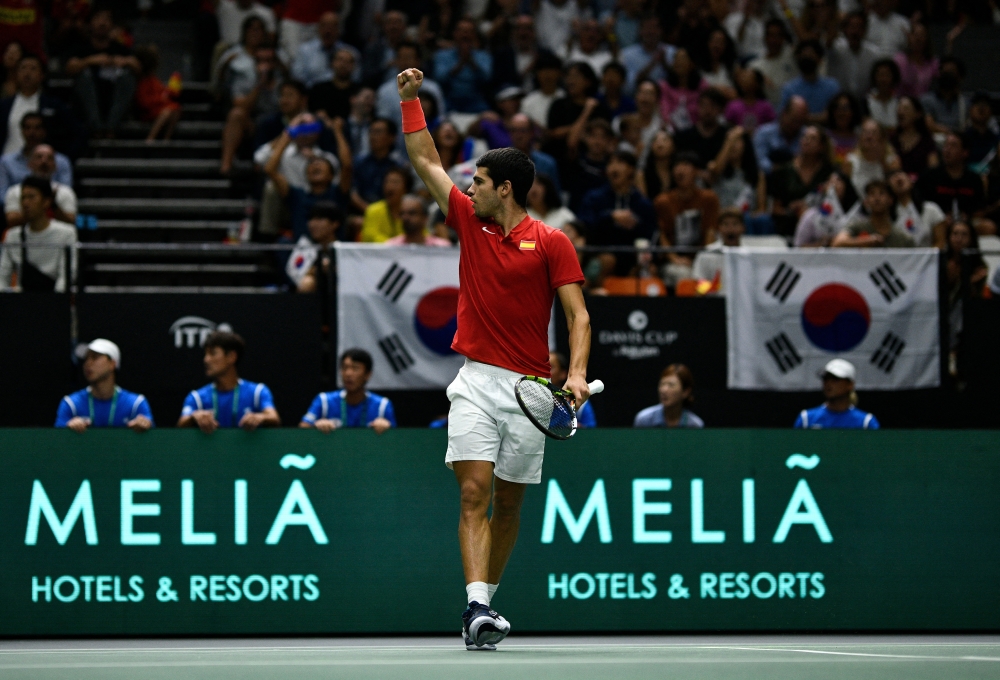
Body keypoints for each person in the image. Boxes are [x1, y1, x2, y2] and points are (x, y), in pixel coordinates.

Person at [397, 65, 591, 650]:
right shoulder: (467, 221)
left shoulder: (552, 242)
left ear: (504, 188)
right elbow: (426, 161)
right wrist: (411, 102)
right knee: (473, 493)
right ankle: (476, 608)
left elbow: (578, 316)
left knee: (508, 505)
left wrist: (577, 374)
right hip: (475, 382)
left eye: (479, 181)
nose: (470, 188)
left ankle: (488, 598)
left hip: (531, 391)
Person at [178, 331, 280, 433]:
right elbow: (181, 424)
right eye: (206, 354)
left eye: (212, 353)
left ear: (231, 357)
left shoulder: (257, 392)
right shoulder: (197, 397)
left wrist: (260, 417)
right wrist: (193, 417)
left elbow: (274, 417)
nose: (206, 360)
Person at [578, 150, 656, 278]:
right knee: (608, 260)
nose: (613, 167)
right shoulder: (594, 198)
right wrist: (610, 217)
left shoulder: (643, 204)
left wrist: (635, 224)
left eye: (620, 162)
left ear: (631, 170)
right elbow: (584, 227)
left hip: (632, 258)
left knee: (650, 270)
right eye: (610, 163)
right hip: (600, 254)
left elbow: (650, 234)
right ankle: (588, 289)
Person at [63, 8, 140, 136]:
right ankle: (97, 128)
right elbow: (69, 68)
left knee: (128, 77)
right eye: (98, 18)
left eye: (106, 19)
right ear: (90, 24)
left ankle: (110, 128)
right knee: (83, 75)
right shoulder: (82, 48)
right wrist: (90, 61)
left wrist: (125, 61)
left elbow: (138, 67)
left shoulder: (120, 49)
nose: (102, 23)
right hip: (87, 106)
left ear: (112, 25)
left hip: (113, 103)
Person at [55, 339, 154, 432]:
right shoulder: (71, 404)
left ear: (112, 364)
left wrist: (144, 425)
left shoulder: (136, 404)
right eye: (86, 358)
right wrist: (68, 429)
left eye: (95, 357)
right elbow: (57, 440)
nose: (88, 363)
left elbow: (153, 439)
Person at [0, 176, 76, 292]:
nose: (25, 203)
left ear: (46, 201)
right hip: (22, 300)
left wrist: (56, 300)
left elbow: (67, 276)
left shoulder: (67, 233)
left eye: (31, 197)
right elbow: (2, 277)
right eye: (23, 198)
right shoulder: (13, 235)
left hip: (55, 299)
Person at [654, 151, 720, 283]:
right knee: (685, 275)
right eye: (677, 165)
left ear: (697, 171)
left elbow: (711, 232)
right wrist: (675, 259)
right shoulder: (663, 201)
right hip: (674, 262)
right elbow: (662, 235)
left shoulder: (709, 199)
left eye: (686, 165)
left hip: (702, 258)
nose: (680, 170)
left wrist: (703, 260)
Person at [0, 54, 79, 157]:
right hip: (7, 162)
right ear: (16, 74)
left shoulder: (54, 106)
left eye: (33, 68)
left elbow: (77, 133)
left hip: (42, 163)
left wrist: (62, 160)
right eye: (23, 68)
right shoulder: (4, 106)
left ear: (42, 75)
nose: (27, 73)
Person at [300, 348, 396, 433]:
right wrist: (316, 426)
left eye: (355, 368)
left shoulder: (382, 405)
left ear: (368, 375)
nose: (348, 373)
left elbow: (395, 439)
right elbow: (302, 428)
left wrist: (386, 427)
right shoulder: (324, 400)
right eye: (344, 368)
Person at [918, 132, 994, 234]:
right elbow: (921, 205)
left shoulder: (974, 179)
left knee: (988, 226)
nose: (947, 149)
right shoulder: (930, 176)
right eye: (946, 145)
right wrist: (941, 218)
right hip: (938, 222)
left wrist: (967, 218)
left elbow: (979, 210)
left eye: (953, 146)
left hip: (967, 224)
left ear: (965, 152)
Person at [768, 125, 835, 235]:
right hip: (788, 226)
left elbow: (834, 204)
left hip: (820, 226)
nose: (807, 141)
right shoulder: (784, 170)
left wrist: (809, 209)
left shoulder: (829, 172)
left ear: (822, 146)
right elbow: (775, 209)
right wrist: (791, 210)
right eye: (804, 137)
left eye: (813, 138)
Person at [0, 112, 73, 198]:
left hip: (53, 205)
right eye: (28, 128)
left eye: (37, 128)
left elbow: (66, 194)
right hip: (14, 205)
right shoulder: (6, 162)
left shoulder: (61, 161)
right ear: (22, 131)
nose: (32, 133)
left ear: (44, 131)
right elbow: (2, 195)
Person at [794, 359, 879, 429]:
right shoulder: (806, 420)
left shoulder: (866, 423)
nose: (828, 383)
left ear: (850, 385)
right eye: (825, 379)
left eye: (835, 379)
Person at [4, 144, 76, 226]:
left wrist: (53, 205)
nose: (44, 161)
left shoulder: (66, 192)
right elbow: (11, 221)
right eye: (39, 157)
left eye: (49, 158)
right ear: (29, 164)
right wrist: (37, 209)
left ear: (55, 165)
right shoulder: (15, 191)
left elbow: (71, 222)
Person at [832, 179, 915, 248]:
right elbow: (837, 243)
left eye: (881, 193)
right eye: (872, 194)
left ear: (890, 200)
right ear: (866, 202)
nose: (877, 198)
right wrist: (865, 241)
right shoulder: (857, 227)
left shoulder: (902, 237)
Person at [290, 11, 361, 88]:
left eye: (332, 27)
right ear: (318, 28)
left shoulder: (350, 52)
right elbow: (298, 78)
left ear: (339, 29)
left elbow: (356, 78)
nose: (328, 31)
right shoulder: (305, 50)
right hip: (311, 92)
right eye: (324, 26)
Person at [793, 171, 858, 247]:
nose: (833, 185)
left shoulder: (857, 214)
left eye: (838, 180)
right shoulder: (811, 215)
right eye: (829, 181)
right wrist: (821, 244)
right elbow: (799, 246)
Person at [780, 40, 839, 123]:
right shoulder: (789, 88)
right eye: (804, 56)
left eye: (810, 56)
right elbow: (785, 116)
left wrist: (803, 118)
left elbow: (835, 115)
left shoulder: (832, 86)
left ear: (820, 60)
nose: (807, 59)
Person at [826, 11, 880, 101]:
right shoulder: (836, 47)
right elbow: (828, 44)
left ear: (865, 30)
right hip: (837, 100)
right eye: (852, 27)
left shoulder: (874, 53)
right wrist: (837, 22)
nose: (855, 32)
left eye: (859, 27)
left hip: (864, 100)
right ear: (845, 29)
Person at [752, 95, 809, 175]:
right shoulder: (763, 133)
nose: (796, 125)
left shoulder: (808, 135)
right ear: (784, 113)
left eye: (800, 121)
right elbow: (762, 163)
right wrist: (785, 168)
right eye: (793, 120)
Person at [634, 364, 704, 428]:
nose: (663, 390)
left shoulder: (695, 425)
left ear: (685, 392)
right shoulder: (644, 420)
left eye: (671, 385)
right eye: (662, 384)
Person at [748, 19, 797, 109]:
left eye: (778, 35)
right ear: (765, 38)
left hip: (792, 108)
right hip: (766, 110)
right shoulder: (755, 66)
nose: (774, 40)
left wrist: (788, 13)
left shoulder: (793, 57)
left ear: (783, 38)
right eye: (771, 35)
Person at [888, 168, 944, 247]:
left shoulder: (931, 209)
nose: (898, 178)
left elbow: (941, 242)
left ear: (911, 182)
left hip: (926, 253)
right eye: (894, 177)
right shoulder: (886, 214)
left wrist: (924, 254)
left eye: (901, 174)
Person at [692, 207, 744, 292]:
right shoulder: (707, 253)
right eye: (726, 224)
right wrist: (711, 287)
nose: (730, 229)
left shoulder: (751, 255)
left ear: (743, 227)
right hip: (715, 299)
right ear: (719, 228)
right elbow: (698, 283)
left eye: (735, 224)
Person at [620, 15, 674, 96]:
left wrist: (664, 64)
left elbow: (680, 83)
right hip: (636, 99)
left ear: (661, 30)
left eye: (654, 27)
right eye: (647, 28)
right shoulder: (627, 55)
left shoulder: (672, 52)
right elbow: (627, 88)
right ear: (640, 31)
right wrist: (652, 64)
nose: (651, 32)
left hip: (668, 99)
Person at [844, 118, 900, 196]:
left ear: (882, 137)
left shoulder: (892, 160)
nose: (869, 137)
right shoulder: (850, 161)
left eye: (874, 132)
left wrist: (882, 159)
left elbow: (896, 188)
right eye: (865, 132)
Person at [361, 166, 411, 242]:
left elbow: (421, 236)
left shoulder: (412, 211)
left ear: (406, 188)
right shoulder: (373, 210)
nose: (389, 186)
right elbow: (370, 237)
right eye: (387, 182)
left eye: (395, 182)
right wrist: (396, 244)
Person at [890, 95, 937, 176]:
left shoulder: (926, 140)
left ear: (917, 114)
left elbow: (933, 168)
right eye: (899, 108)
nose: (900, 112)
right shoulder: (892, 139)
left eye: (905, 108)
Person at [921, 56, 968, 134]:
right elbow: (929, 124)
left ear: (960, 77)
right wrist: (951, 133)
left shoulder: (966, 103)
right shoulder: (926, 100)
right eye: (944, 72)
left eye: (951, 72)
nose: (947, 76)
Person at [385, 194, 453, 246]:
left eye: (412, 213)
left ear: (424, 218)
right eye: (402, 213)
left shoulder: (441, 247)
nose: (405, 218)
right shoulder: (391, 246)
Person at [549, 351, 595, 427]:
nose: (545, 372)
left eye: (550, 367)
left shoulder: (580, 401)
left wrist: (581, 429)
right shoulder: (531, 402)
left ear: (563, 373)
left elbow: (593, 431)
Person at [893, 22, 937, 99]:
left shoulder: (933, 62)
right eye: (915, 35)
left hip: (926, 102)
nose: (918, 39)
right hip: (903, 100)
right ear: (909, 38)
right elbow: (905, 81)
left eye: (921, 35)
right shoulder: (899, 59)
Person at [724, 68, 774, 134]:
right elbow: (727, 127)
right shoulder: (733, 106)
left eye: (749, 78)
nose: (745, 81)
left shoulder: (765, 106)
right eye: (744, 79)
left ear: (757, 83)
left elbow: (772, 126)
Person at [825, 92, 862, 164]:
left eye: (846, 108)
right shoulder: (825, 137)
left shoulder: (860, 139)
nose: (842, 113)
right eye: (838, 108)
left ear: (853, 112)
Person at [866, 59, 901, 131]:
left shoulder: (899, 101)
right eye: (880, 75)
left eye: (887, 75)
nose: (883, 79)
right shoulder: (866, 102)